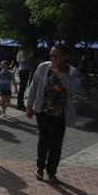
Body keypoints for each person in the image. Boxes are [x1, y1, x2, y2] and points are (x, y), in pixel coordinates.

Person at [26, 44, 81, 184]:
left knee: (56, 144)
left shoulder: (71, 71)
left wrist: (61, 75)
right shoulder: (43, 67)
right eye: (51, 55)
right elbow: (34, 86)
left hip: (61, 113)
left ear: (65, 57)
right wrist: (29, 105)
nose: (52, 59)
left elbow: (75, 89)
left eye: (56, 56)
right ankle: (40, 168)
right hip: (43, 111)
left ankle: (51, 172)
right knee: (44, 140)